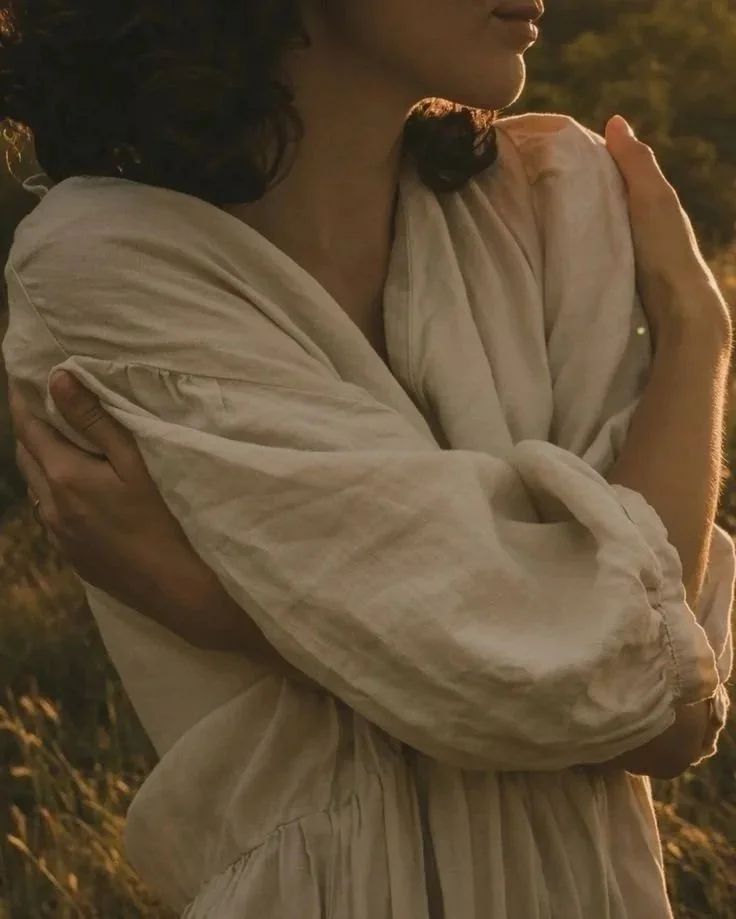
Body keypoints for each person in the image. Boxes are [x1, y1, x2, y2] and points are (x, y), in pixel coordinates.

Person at [1, 0, 734, 916]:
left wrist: (698, 330)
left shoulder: (555, 197)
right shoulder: (109, 266)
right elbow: (623, 670)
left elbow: (666, 718)